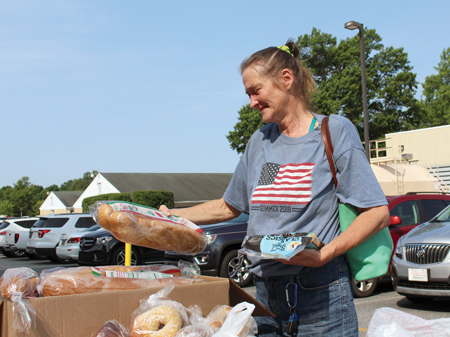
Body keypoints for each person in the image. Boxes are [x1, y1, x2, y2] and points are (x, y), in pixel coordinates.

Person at [160, 39, 389, 336]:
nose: (252, 102)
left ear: (286, 79)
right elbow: (230, 205)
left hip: (322, 292)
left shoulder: (333, 131)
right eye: (248, 94)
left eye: (256, 91)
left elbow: (376, 212)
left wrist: (326, 254)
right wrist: (171, 217)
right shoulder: (261, 142)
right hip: (266, 294)